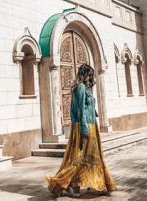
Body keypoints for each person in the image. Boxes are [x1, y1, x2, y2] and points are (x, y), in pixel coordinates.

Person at [46, 64, 116, 197]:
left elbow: (88, 107)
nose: (91, 77)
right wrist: (84, 128)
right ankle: (68, 184)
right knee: (79, 158)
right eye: (89, 74)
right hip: (84, 126)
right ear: (83, 74)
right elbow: (80, 110)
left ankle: (95, 182)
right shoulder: (81, 88)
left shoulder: (86, 88)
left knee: (93, 156)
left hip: (91, 124)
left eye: (92, 75)